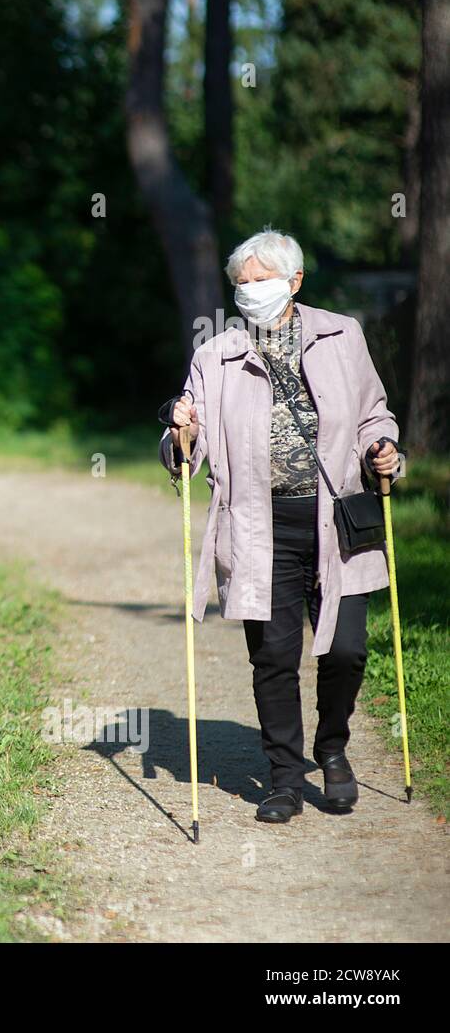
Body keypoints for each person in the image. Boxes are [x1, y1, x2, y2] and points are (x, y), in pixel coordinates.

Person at [159, 228, 403, 824]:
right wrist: (180, 426)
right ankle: (285, 778)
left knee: (346, 650)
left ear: (294, 282)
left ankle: (334, 749)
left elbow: (374, 412)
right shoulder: (215, 354)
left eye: (261, 280)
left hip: (336, 521)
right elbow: (181, 448)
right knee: (273, 656)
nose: (249, 292)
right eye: (240, 284)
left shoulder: (342, 335)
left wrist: (384, 448)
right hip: (257, 526)